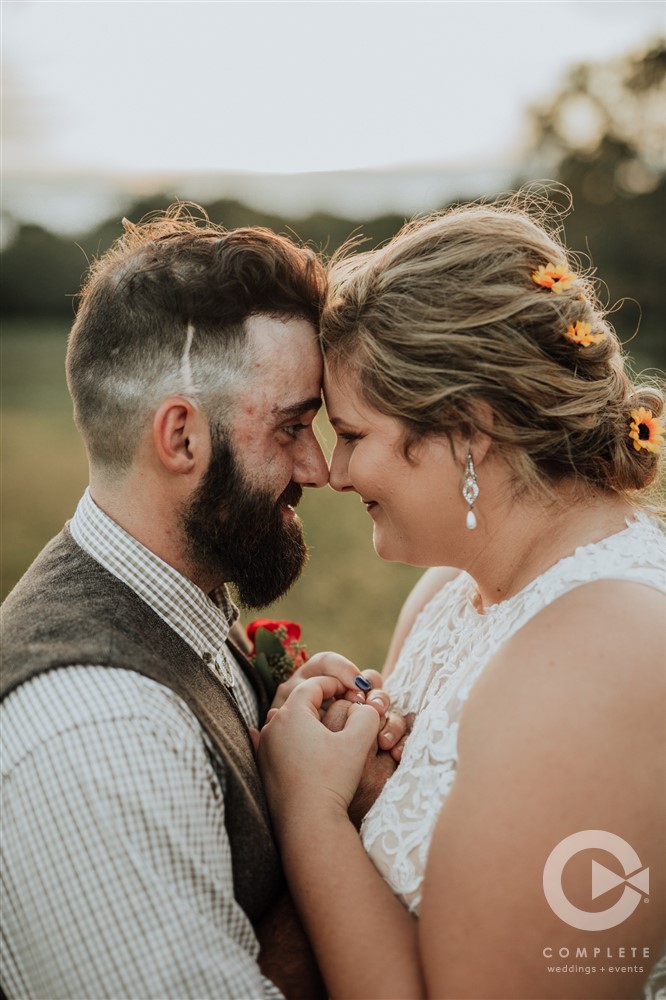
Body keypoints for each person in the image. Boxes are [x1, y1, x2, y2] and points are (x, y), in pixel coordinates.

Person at [256, 194, 666, 999]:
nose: (333, 473)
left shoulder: (606, 654)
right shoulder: (451, 589)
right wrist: (355, 755)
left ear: (469, 427)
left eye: (354, 434)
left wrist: (307, 807)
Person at [0, 205, 401, 1000]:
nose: (318, 468)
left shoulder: (172, 608)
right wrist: (320, 818)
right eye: (290, 427)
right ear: (181, 437)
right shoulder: (100, 732)